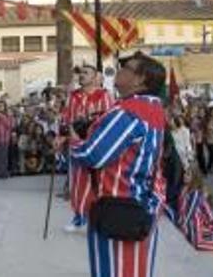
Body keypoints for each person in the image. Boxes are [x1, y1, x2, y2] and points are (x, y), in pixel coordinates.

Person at [70, 52, 166, 277]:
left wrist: (73, 141)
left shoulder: (128, 112)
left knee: (113, 270)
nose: (119, 70)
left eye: (127, 68)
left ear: (140, 79)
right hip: (140, 203)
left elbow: (94, 155)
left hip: (118, 207)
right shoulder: (152, 108)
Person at [61, 64, 112, 233]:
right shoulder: (73, 96)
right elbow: (65, 119)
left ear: (96, 76)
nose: (82, 76)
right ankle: (79, 217)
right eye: (81, 73)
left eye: (86, 73)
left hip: (96, 145)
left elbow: (109, 120)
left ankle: (98, 219)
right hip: (76, 144)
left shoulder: (104, 96)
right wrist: (61, 136)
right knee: (77, 182)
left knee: (99, 182)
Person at [176, 173, 213, 251]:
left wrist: (183, 226)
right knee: (194, 239)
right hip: (193, 221)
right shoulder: (184, 188)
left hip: (196, 221)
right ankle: (211, 235)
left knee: (197, 244)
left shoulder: (195, 192)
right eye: (184, 173)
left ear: (194, 177)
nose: (184, 176)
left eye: (188, 174)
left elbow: (190, 212)